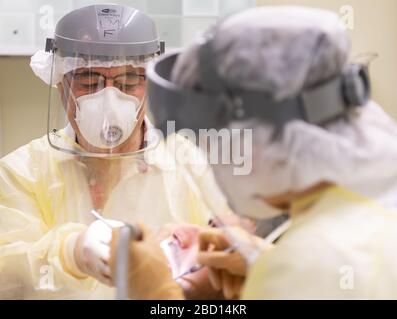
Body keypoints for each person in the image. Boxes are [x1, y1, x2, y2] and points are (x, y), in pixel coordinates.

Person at [113, 6, 397, 299]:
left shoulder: (313, 261)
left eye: (212, 150)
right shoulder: (373, 202)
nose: (217, 167)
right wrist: (266, 264)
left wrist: (157, 295)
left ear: (254, 143)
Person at [0, 4, 234, 299]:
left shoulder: (194, 167)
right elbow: (6, 275)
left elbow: (232, 264)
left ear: (149, 84)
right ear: (60, 84)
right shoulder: (20, 173)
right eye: (87, 79)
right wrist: (71, 252)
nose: (110, 97)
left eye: (128, 81)